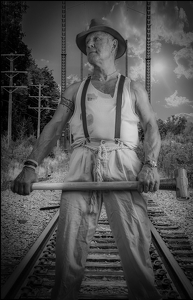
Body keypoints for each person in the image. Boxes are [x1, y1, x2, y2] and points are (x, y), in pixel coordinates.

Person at [11, 18, 162, 300]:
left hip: (124, 162)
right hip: (82, 160)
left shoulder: (133, 88)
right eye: (87, 41)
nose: (89, 44)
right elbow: (55, 127)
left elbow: (152, 125)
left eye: (96, 39)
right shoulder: (75, 91)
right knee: (68, 247)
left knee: (134, 243)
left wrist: (151, 165)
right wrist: (31, 166)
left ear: (114, 44)